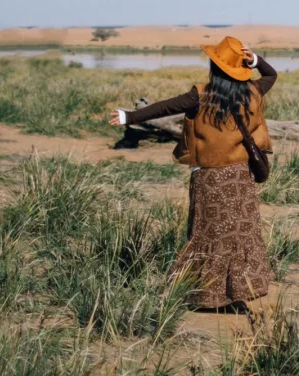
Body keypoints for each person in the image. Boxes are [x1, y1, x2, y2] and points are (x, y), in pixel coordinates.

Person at [109, 36, 277, 309]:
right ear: (240, 69)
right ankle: (237, 295)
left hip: (209, 177)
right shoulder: (254, 91)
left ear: (214, 66)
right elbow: (272, 74)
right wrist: (255, 60)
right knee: (240, 235)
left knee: (207, 234)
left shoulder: (199, 96)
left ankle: (204, 295)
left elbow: (164, 107)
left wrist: (129, 116)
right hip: (239, 176)